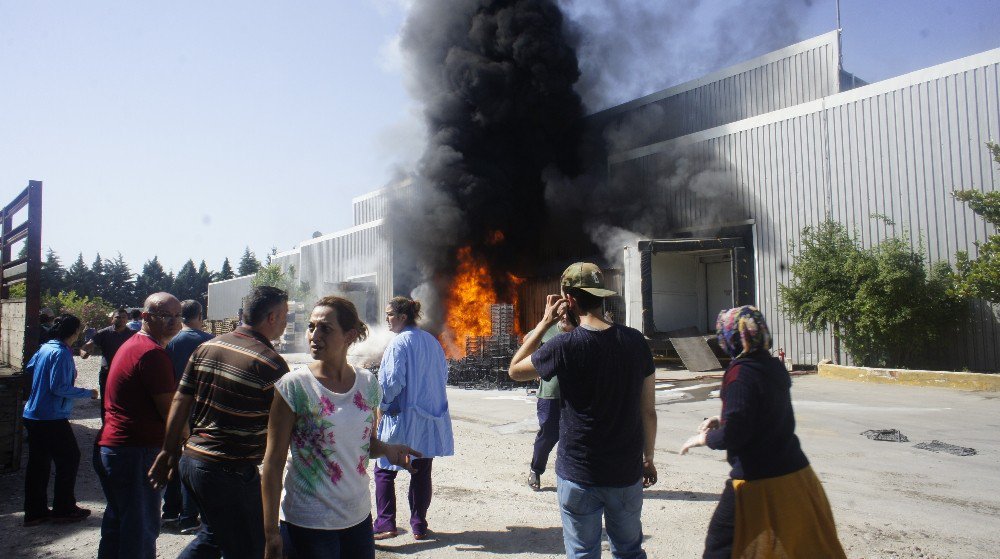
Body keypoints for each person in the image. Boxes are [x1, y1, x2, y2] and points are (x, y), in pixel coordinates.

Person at [509, 262, 657, 559]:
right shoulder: (636, 342)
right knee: (629, 551)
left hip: (579, 473)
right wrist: (648, 458)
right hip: (625, 471)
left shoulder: (564, 345)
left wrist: (544, 323)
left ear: (570, 299)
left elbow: (515, 370)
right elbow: (648, 411)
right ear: (602, 296)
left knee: (582, 552)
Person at [679, 306, 846, 559]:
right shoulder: (771, 366)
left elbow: (736, 433)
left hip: (758, 481)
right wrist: (721, 418)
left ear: (732, 337)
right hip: (797, 475)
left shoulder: (739, 373)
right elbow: (764, 411)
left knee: (720, 546)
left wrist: (705, 438)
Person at [261, 296, 421, 559]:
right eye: (312, 327)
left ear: (349, 336)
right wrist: (270, 532)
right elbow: (273, 462)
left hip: (357, 519)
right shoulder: (294, 386)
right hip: (308, 523)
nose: (314, 335)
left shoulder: (368, 384)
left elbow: (365, 445)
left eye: (325, 328)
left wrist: (388, 450)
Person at [148, 286, 290, 559]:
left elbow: (180, 400)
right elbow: (287, 424)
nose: (286, 320)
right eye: (285, 314)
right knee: (250, 547)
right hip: (229, 471)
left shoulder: (207, 347)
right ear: (271, 317)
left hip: (192, 462)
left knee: (214, 537)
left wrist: (168, 451)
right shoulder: (270, 364)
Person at [95, 293, 183, 559]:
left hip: (116, 449)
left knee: (119, 526)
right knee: (139, 532)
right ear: (145, 317)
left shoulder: (135, 345)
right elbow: (171, 413)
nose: (174, 323)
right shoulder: (152, 354)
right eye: (166, 317)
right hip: (135, 451)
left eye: (177, 316)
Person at [373, 296, 454, 541]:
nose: (386, 319)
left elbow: (391, 382)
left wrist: (382, 406)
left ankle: (386, 523)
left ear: (402, 317)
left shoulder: (398, 344)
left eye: (389, 314)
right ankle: (419, 525)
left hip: (401, 419)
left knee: (384, 469)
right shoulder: (432, 342)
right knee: (420, 469)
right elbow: (442, 377)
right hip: (427, 420)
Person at [22, 313, 98, 527]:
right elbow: (59, 388)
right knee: (69, 458)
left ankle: (34, 512)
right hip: (51, 416)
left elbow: (30, 368)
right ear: (74, 333)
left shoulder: (46, 347)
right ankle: (64, 507)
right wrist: (88, 392)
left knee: (39, 464)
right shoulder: (62, 353)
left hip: (33, 413)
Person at [160, 299, 214, 535]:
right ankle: (189, 516)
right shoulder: (209, 342)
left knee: (173, 455)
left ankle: (170, 510)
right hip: (200, 410)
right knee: (193, 460)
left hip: (174, 406)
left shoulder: (170, 342)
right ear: (200, 315)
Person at [527, 323, 567, 491]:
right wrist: (536, 367)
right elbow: (528, 340)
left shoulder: (581, 328)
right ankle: (535, 470)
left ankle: (569, 476)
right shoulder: (548, 329)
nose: (565, 315)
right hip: (550, 392)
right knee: (548, 433)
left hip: (575, 392)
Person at [81, 308, 135, 412]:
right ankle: (105, 426)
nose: (121, 319)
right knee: (106, 402)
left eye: (124, 317)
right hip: (107, 373)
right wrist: (84, 353)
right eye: (118, 317)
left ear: (127, 319)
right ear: (112, 319)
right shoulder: (104, 333)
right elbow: (85, 347)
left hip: (127, 374)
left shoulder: (133, 334)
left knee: (125, 402)